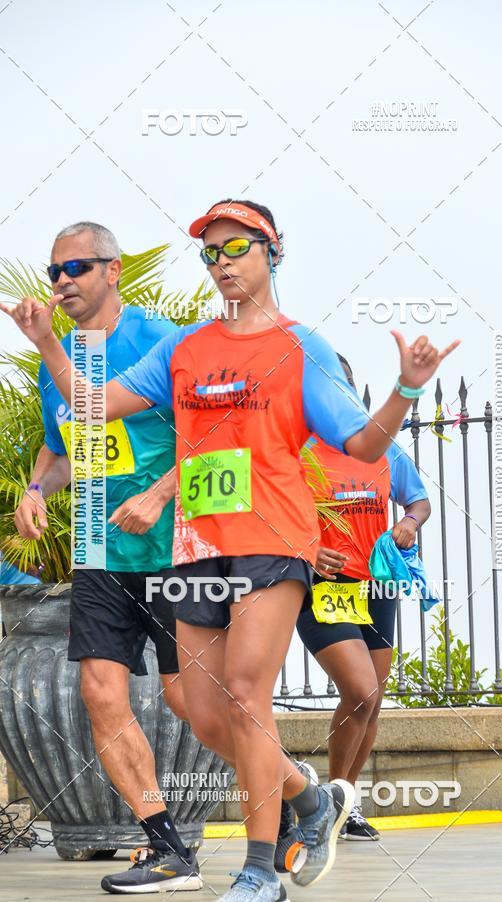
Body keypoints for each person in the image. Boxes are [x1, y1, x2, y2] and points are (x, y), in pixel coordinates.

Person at [1, 200, 459, 901]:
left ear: (272, 252)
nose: (222, 262)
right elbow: (87, 409)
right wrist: (48, 343)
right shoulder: (184, 351)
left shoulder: (298, 347)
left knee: (246, 696)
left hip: (273, 541)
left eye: (237, 246)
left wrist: (405, 389)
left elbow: (363, 445)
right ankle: (310, 797)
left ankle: (256, 870)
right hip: (197, 548)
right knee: (205, 710)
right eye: (211, 252)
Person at [9, 223, 201, 894]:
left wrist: (157, 492)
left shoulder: (162, 340)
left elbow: (211, 437)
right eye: (55, 269)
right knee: (100, 692)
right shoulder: (57, 356)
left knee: (192, 701)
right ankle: (165, 844)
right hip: (97, 545)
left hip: (177, 547)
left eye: (78, 267)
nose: (62, 280)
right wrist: (36, 490)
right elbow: (62, 445)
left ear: (114, 270)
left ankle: (302, 799)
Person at [277, 355, 430, 862]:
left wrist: (410, 521)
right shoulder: (299, 452)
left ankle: (340, 803)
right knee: (360, 691)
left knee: (372, 703)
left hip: (378, 585)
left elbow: (419, 499)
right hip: (323, 587)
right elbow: (271, 516)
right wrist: (309, 550)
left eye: (338, 381)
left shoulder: (382, 450)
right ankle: (326, 803)